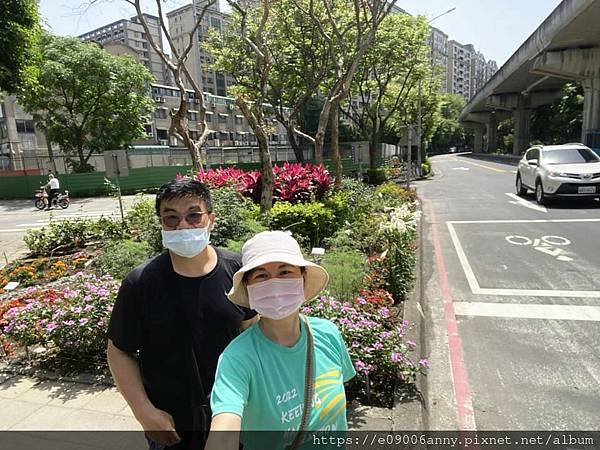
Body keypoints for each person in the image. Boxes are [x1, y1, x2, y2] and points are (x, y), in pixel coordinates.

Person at [106, 178, 257, 450]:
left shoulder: (238, 271)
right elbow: (119, 351)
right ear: (161, 224)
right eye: (171, 218)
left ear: (211, 219)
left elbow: (253, 332)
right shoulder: (140, 283)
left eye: (194, 215)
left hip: (237, 416)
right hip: (171, 425)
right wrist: (144, 412)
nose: (183, 225)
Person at [205, 231, 356, 450]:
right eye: (261, 276)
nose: (274, 283)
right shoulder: (237, 358)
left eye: (285, 272)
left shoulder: (328, 334)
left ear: (303, 279)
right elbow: (225, 428)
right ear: (248, 288)